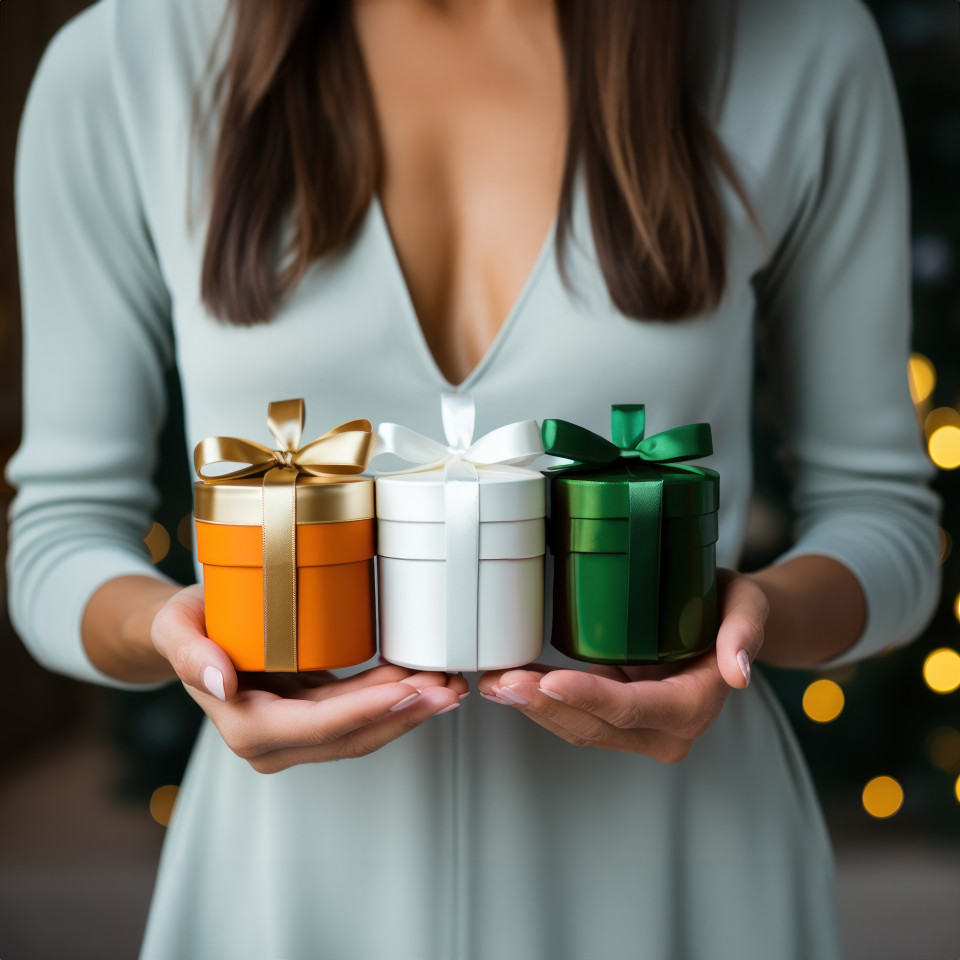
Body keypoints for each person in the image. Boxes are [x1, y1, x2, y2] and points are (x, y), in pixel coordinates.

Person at [7, 0, 941, 957]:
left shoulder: (797, 43)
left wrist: (756, 617)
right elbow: (58, 539)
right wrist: (174, 636)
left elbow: (886, 522)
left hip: (683, 869)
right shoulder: (127, 60)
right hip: (289, 885)